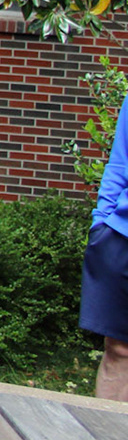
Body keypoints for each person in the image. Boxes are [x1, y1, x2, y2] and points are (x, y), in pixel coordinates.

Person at [84, 98, 128, 402]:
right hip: (121, 236)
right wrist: (101, 222)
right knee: (119, 350)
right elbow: (120, 161)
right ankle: (108, 433)